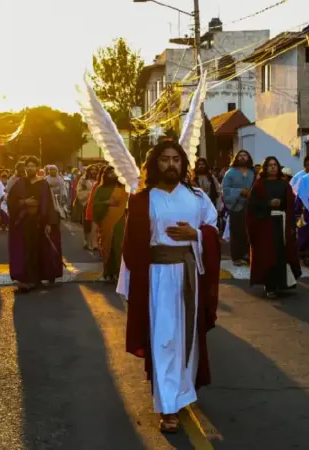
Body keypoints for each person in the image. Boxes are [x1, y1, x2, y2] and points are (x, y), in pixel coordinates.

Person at [119, 141, 220, 434]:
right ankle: (167, 407)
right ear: (154, 165)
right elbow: (131, 246)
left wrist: (196, 234)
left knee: (188, 337)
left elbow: (214, 228)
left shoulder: (198, 197)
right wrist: (133, 285)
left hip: (190, 275)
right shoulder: (142, 200)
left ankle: (183, 393)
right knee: (163, 339)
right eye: (165, 159)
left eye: (176, 159)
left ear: (183, 163)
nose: (171, 164)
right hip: (158, 278)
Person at [247, 156, 301, 298]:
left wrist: (290, 225)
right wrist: (268, 204)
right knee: (268, 253)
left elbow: (290, 204)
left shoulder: (284, 185)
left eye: (275, 165)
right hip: (265, 223)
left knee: (281, 253)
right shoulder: (259, 184)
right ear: (265, 168)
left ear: (278, 167)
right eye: (270, 165)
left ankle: (281, 283)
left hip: (282, 222)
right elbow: (252, 205)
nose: (272, 167)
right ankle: (269, 286)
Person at [6, 156, 62, 291]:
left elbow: (48, 205)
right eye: (27, 166)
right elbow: (10, 202)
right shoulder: (19, 183)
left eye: (32, 166)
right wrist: (24, 202)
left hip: (39, 223)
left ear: (37, 168)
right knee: (26, 250)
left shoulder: (43, 184)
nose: (29, 168)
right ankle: (28, 279)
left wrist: (49, 223)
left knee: (40, 250)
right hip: (24, 223)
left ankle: (38, 278)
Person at [92, 166, 129, 281]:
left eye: (114, 172)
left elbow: (128, 204)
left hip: (120, 222)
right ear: (105, 174)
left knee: (119, 246)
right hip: (105, 221)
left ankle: (119, 273)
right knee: (106, 246)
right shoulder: (100, 189)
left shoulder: (123, 188)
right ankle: (108, 272)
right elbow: (95, 205)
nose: (112, 174)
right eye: (109, 172)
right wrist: (107, 202)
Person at [221, 150, 255, 266]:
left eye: (245, 155)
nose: (242, 157)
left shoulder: (252, 172)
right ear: (236, 158)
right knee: (237, 232)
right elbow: (225, 189)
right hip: (236, 206)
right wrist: (240, 191)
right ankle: (236, 257)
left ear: (248, 157)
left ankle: (247, 254)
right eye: (240, 155)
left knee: (249, 231)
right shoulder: (230, 173)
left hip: (250, 206)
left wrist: (251, 194)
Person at [76, 165, 99, 249]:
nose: (93, 171)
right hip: (87, 203)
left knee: (96, 224)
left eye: (95, 169)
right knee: (87, 224)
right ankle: (87, 241)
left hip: (98, 204)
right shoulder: (83, 179)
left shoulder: (100, 179)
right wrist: (90, 193)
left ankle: (94, 243)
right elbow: (79, 191)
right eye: (92, 170)